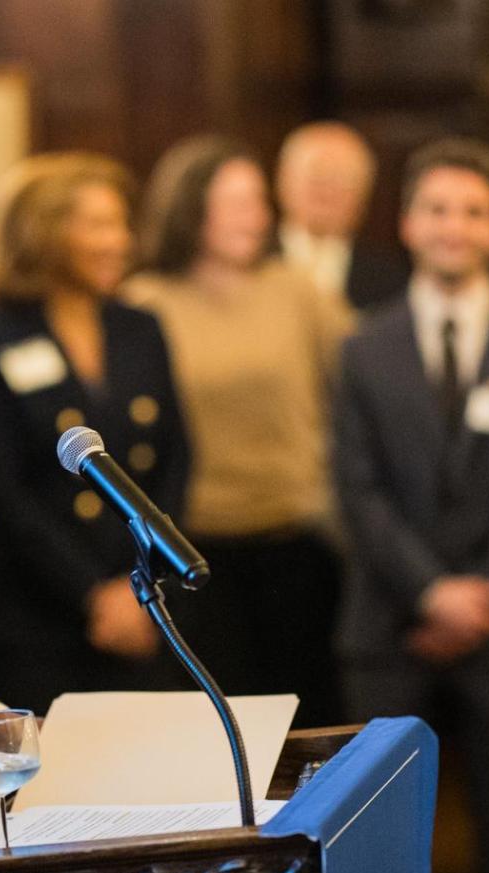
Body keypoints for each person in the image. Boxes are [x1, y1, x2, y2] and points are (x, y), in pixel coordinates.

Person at [336, 138, 489, 873]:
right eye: (437, 210)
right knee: (372, 833)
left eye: (474, 212)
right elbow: (357, 488)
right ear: (407, 224)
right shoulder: (361, 346)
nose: (455, 227)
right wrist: (432, 592)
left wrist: (485, 594)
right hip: (389, 623)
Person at [124, 135, 352, 728]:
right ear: (189, 208)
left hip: (297, 544)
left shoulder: (295, 290)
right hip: (193, 556)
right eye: (233, 203)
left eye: (257, 201)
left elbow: (368, 378)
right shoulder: (146, 303)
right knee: (219, 729)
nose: (253, 217)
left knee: (309, 727)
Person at [0, 152, 190, 713]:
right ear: (44, 233)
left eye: (122, 225)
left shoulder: (140, 327)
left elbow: (176, 459)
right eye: (100, 225)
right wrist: (92, 594)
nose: (121, 241)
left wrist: (138, 586)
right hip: (34, 619)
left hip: (140, 607)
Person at [276, 121, 410, 312]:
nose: (326, 190)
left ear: (364, 193)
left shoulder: (392, 283)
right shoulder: (250, 265)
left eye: (340, 179)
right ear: (283, 180)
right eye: (316, 175)